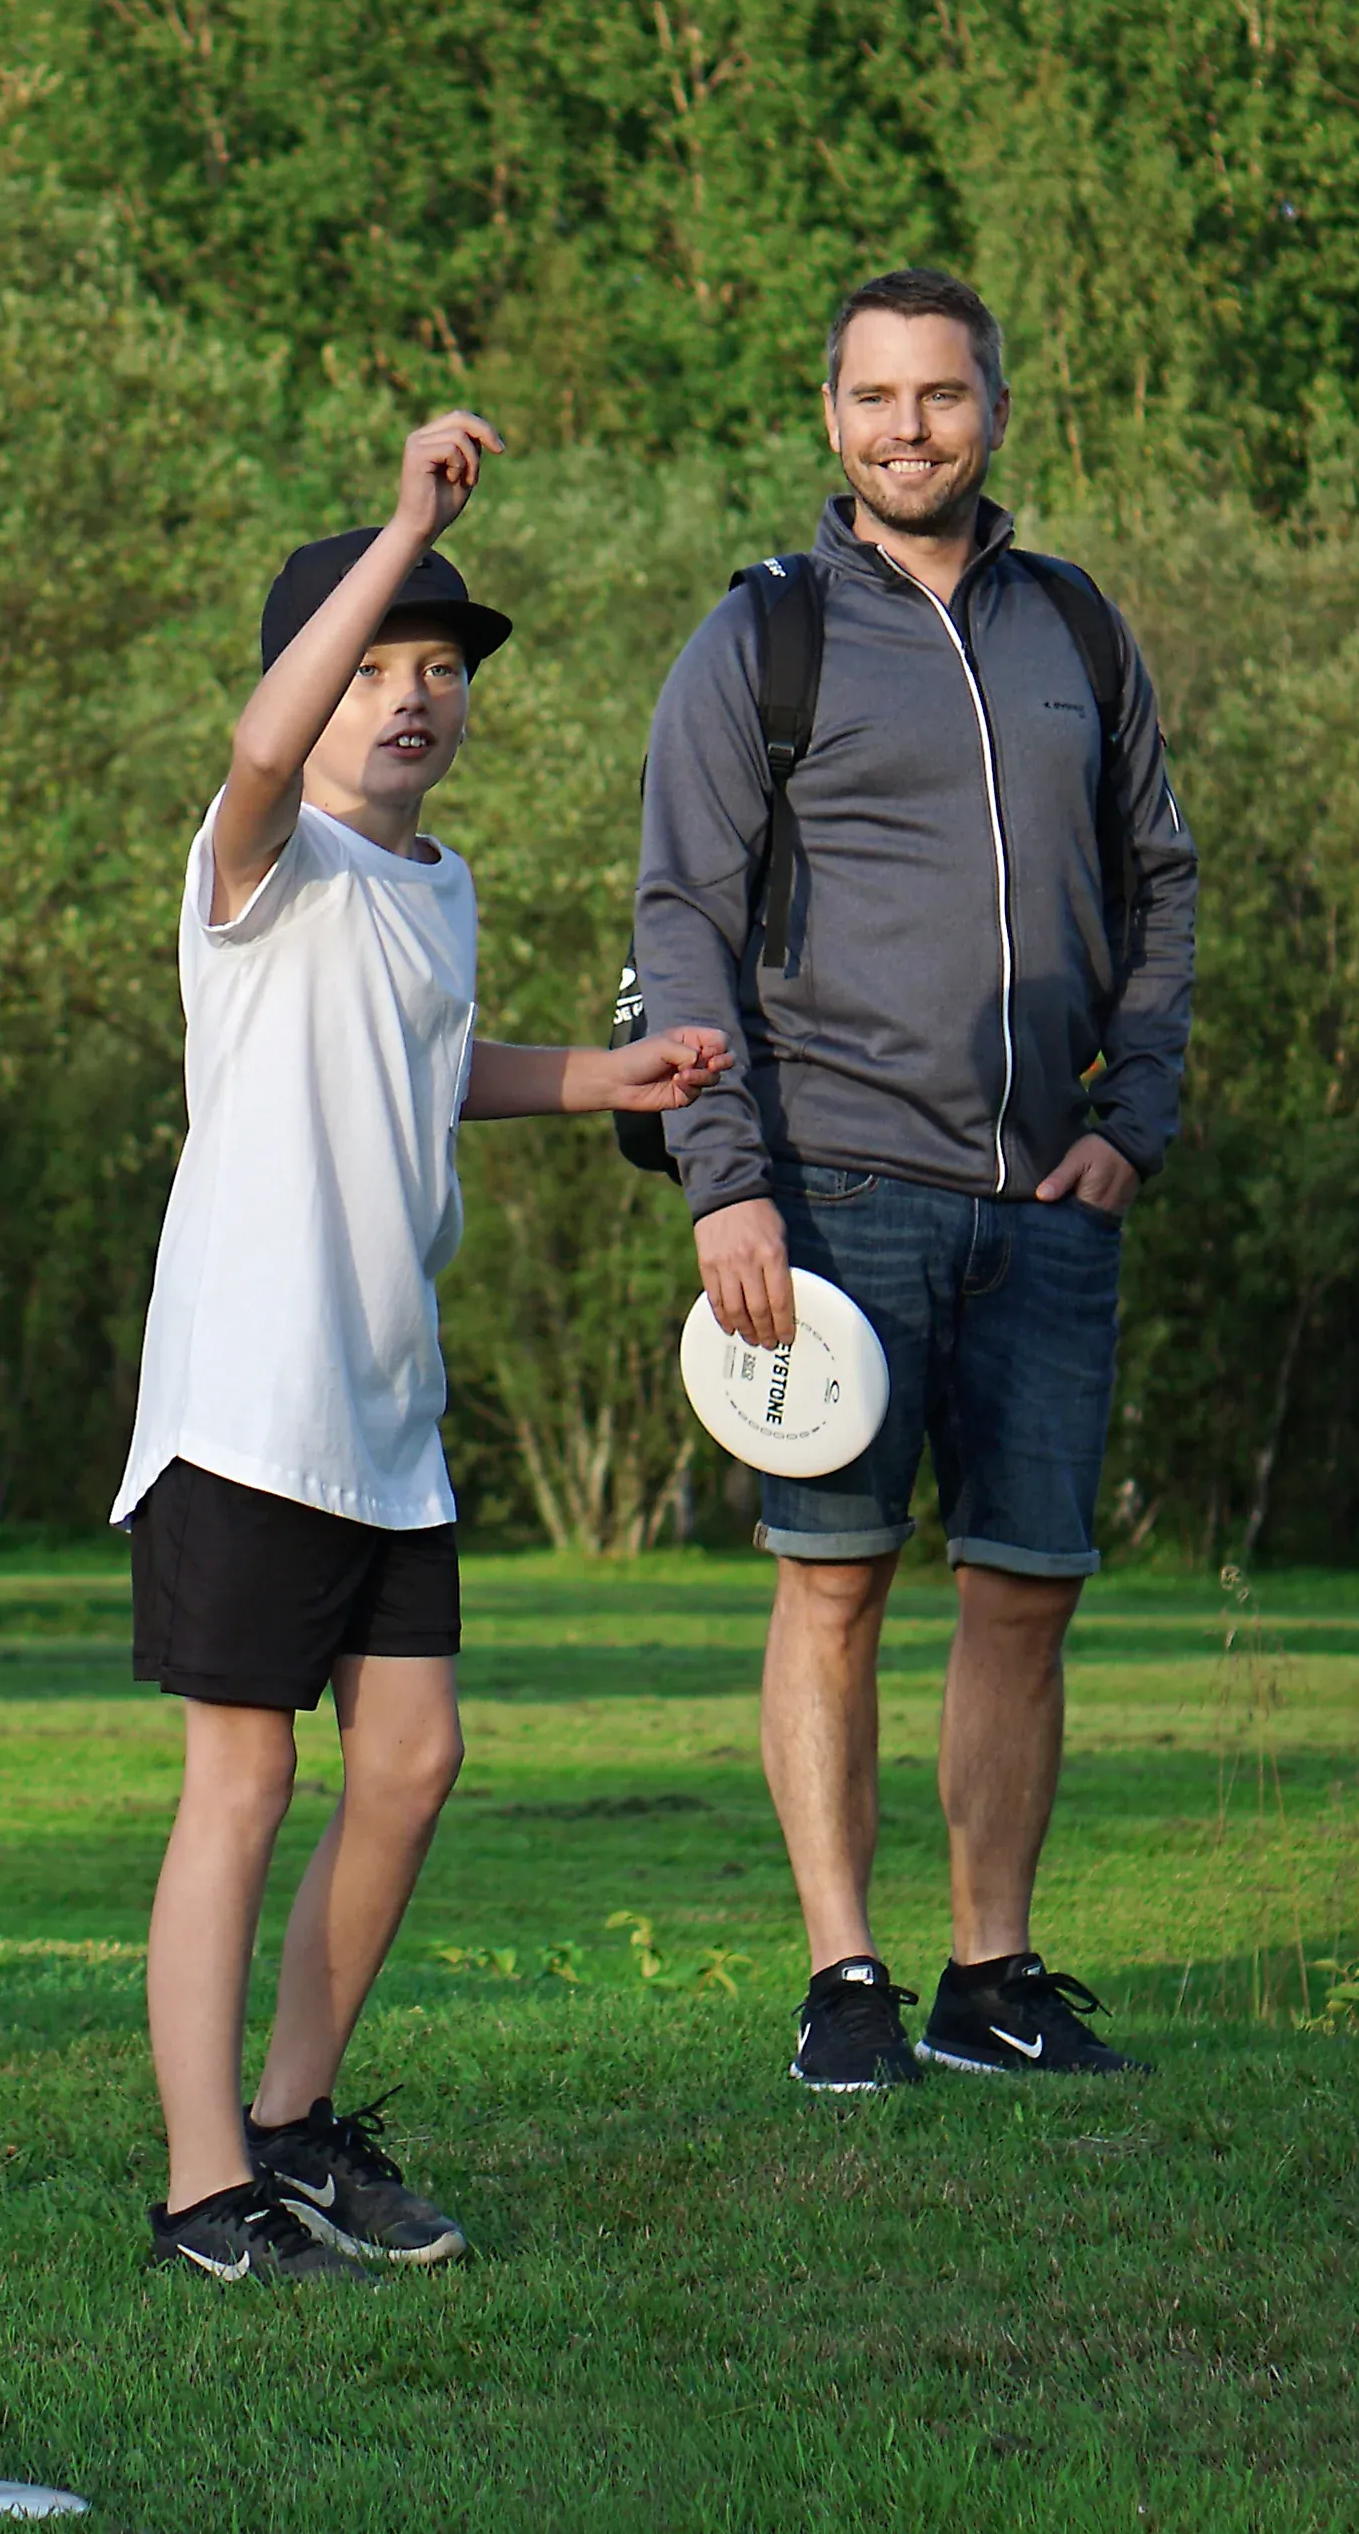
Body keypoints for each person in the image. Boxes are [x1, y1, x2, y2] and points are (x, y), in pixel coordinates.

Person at [120, 415, 733, 2280]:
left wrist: (590, 1079)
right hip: (248, 1402)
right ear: (306, 701)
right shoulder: (258, 859)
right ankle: (201, 2190)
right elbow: (247, 747)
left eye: (440, 672)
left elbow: (421, 1069)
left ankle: (299, 2125)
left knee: (413, 1764)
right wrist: (403, 527)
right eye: (376, 666)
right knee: (248, 1780)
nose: (411, 699)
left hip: (387, 1416)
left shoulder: (433, 887)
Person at [629, 266, 1197, 2094]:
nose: (908, 430)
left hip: (1051, 1204)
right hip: (836, 1192)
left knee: (1025, 1587)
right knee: (838, 1580)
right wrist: (726, 1184)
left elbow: (1164, 884)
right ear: (830, 416)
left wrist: (1140, 1111)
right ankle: (845, 1977)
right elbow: (683, 923)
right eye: (875, 398)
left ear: (995, 411)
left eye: (941, 397)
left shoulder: (1079, 630)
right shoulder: (764, 638)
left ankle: (994, 1973)